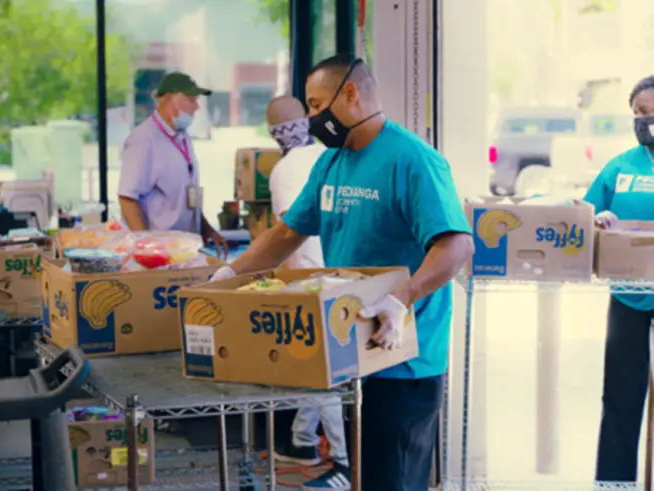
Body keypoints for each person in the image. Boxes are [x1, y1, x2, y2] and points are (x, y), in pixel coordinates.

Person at [211, 54, 474, 491]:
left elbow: (456, 244)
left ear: (349, 94)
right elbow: (288, 232)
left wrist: (400, 299)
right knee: (367, 479)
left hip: (404, 357)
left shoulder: (412, 160)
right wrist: (229, 274)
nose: (312, 118)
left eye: (316, 106)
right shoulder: (331, 163)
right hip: (353, 352)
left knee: (394, 480)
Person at [266, 95, 351, 490]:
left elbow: (288, 232)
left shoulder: (283, 170)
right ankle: (301, 442)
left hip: (310, 278)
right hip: (341, 268)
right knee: (319, 365)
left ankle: (346, 461)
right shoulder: (328, 156)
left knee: (323, 371)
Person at [585, 74, 654, 483]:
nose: (645, 121)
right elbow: (584, 214)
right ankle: (614, 482)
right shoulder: (620, 166)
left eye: (651, 112)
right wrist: (598, 219)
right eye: (639, 114)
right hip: (628, 295)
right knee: (621, 399)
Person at [118, 72, 227, 258]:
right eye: (191, 100)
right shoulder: (144, 139)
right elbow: (127, 198)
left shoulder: (182, 136)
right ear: (168, 98)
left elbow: (186, 195)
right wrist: (145, 247)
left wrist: (207, 229)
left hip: (183, 250)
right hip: (158, 254)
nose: (197, 106)